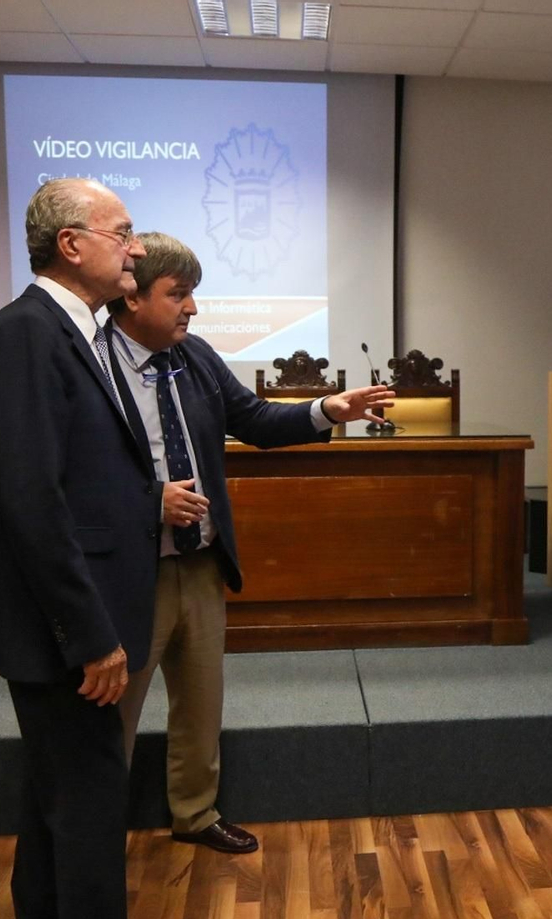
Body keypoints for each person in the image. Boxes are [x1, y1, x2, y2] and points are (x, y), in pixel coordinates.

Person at [0, 179, 200, 919]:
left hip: (70, 612)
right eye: (121, 233)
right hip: (64, 622)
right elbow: (33, 500)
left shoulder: (74, 330)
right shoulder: (31, 334)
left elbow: (86, 478)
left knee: (59, 789)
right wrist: (90, 632)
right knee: (93, 794)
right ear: (71, 245)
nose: (134, 249)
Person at [105, 232, 394, 854]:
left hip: (201, 561)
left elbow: (255, 421)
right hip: (129, 570)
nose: (192, 308)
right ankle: (96, 836)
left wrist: (326, 411)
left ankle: (196, 814)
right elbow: (77, 475)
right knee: (114, 718)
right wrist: (148, 502)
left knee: (201, 703)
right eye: (178, 294)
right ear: (131, 297)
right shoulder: (91, 364)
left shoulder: (195, 355)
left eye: (194, 294)